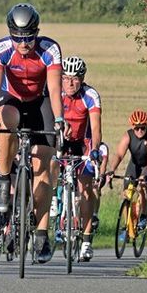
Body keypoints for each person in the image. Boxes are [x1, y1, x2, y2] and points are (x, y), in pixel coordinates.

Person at [0, 3, 65, 263]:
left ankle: (41, 232)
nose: (23, 43)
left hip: (40, 103)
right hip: (13, 100)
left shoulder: (49, 49)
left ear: (36, 32)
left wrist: (60, 119)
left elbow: (54, 89)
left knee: (45, 167)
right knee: (4, 121)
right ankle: (5, 179)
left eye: (29, 36)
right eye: (17, 37)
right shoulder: (2, 50)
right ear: (10, 34)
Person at [55, 55, 104, 261]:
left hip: (83, 142)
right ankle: (53, 207)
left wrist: (94, 151)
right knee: (45, 167)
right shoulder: (55, 94)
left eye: (75, 78)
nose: (70, 83)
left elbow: (95, 128)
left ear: (82, 78)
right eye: (65, 78)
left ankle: (85, 240)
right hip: (61, 141)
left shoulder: (90, 95)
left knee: (85, 189)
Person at [106, 109, 147, 234]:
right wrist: (111, 170)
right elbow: (119, 154)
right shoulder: (127, 136)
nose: (140, 131)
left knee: (141, 185)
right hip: (135, 164)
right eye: (137, 128)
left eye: (143, 128)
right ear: (132, 127)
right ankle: (127, 225)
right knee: (126, 192)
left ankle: (144, 216)